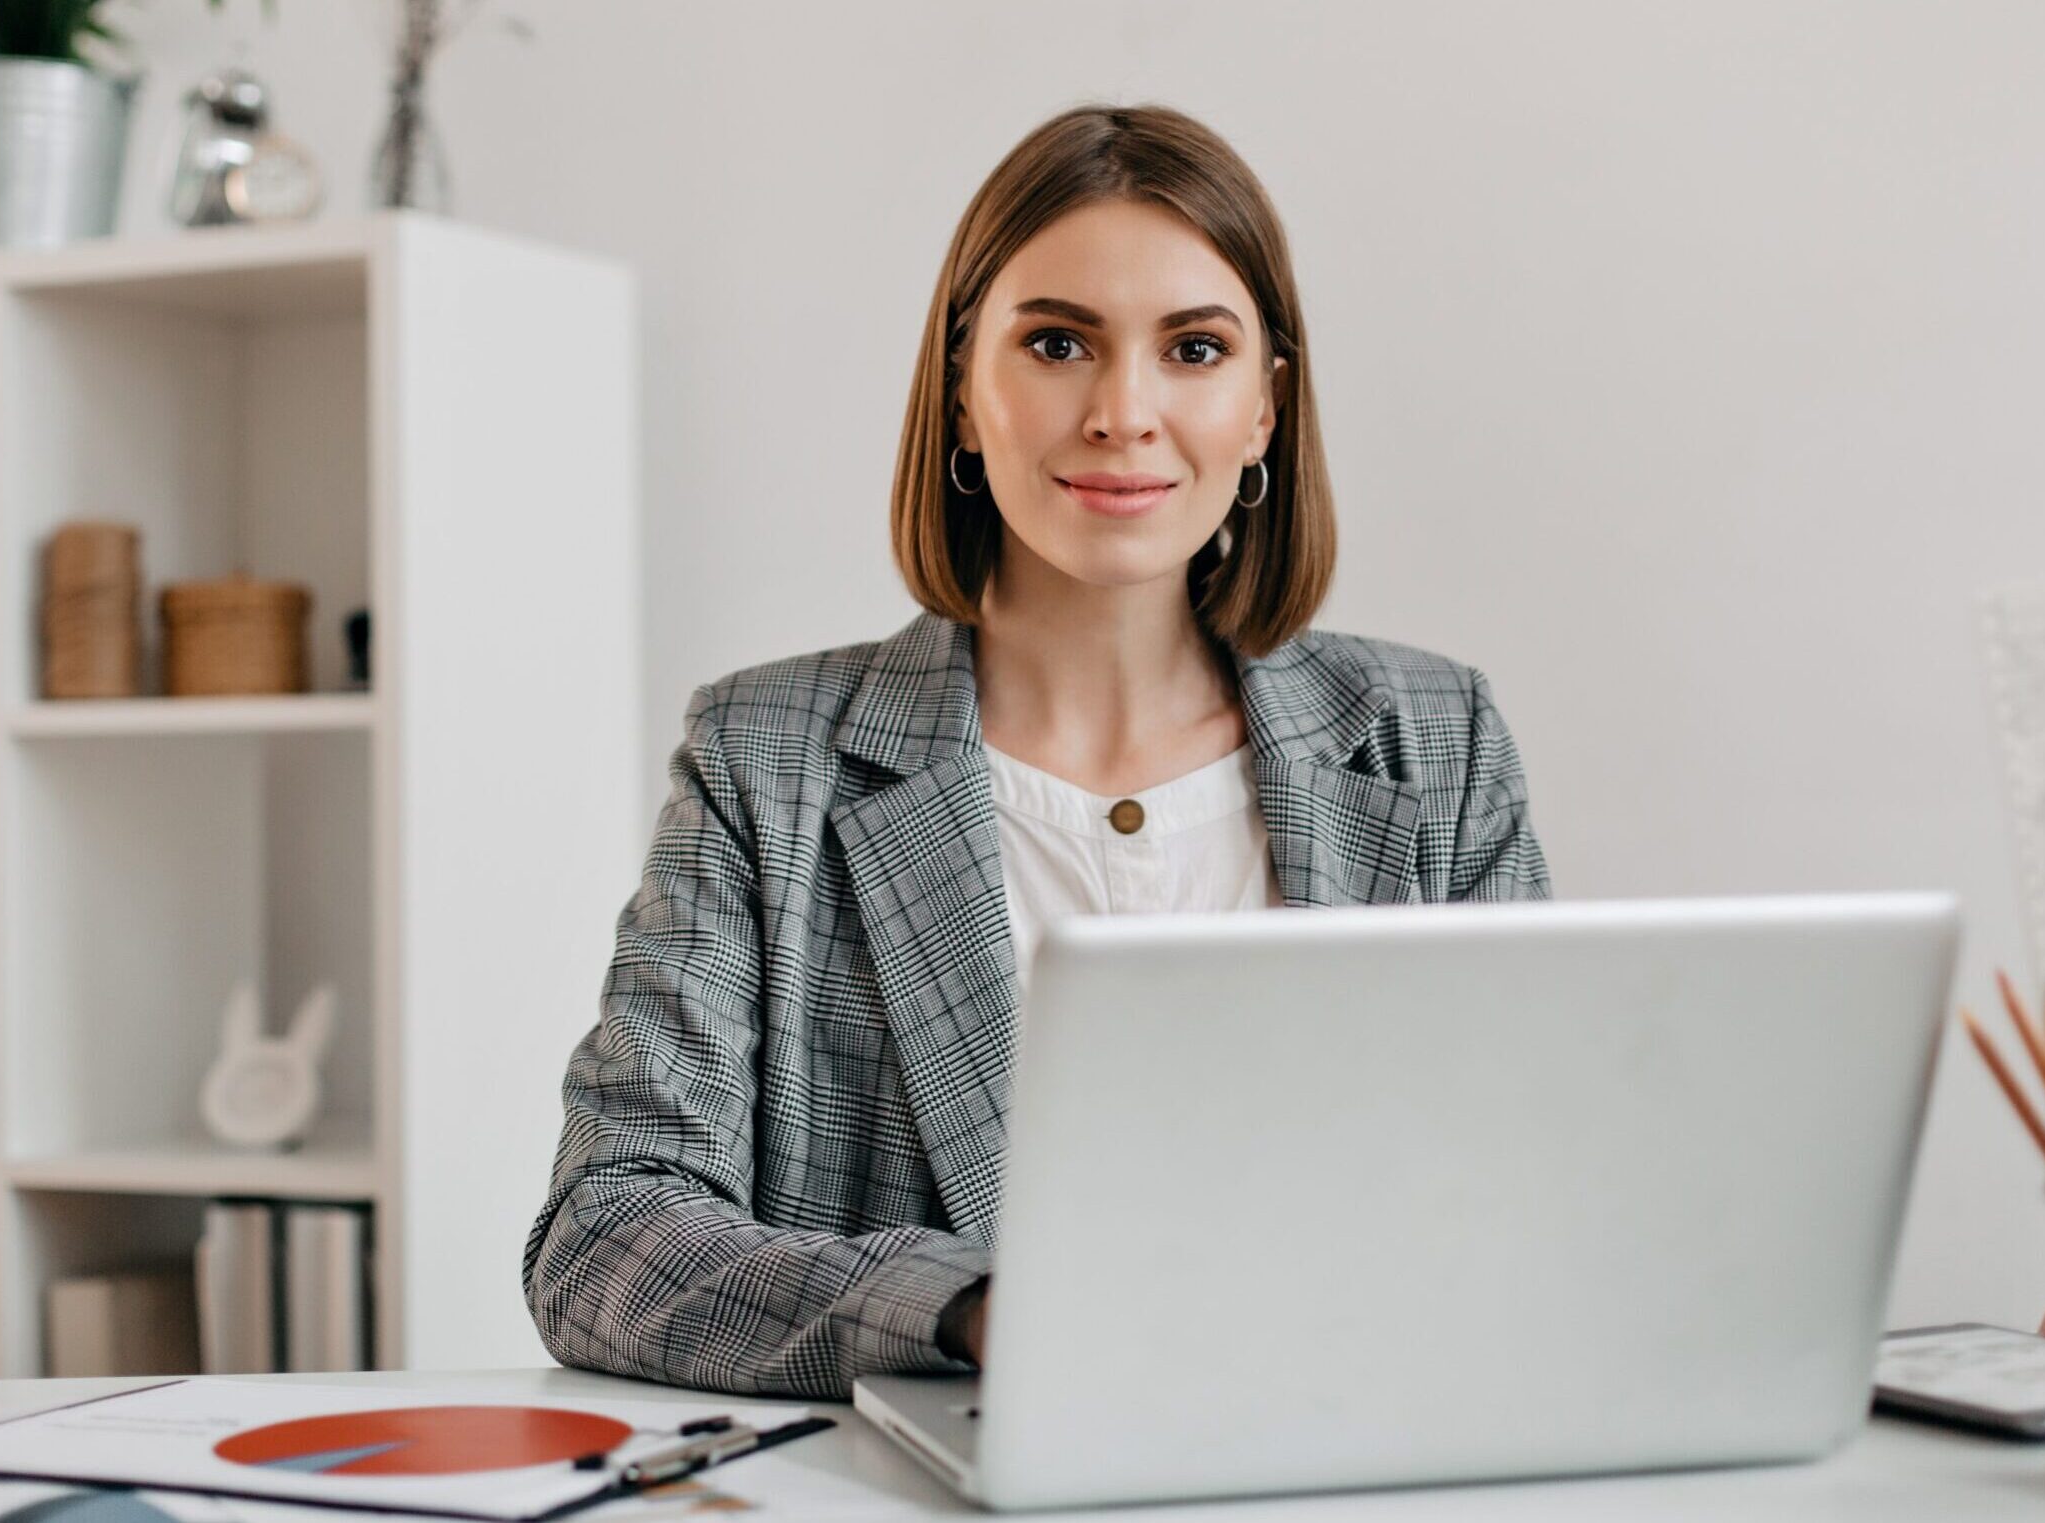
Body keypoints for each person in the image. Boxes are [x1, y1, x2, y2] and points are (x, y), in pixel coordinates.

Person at [522, 102, 1552, 1400]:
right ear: (963, 392)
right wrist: (972, 1310)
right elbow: (605, 1238)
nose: (1124, 412)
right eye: (1058, 343)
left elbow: (1536, 1197)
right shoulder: (764, 758)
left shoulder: (1432, 745)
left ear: (1264, 413)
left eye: (1193, 349)